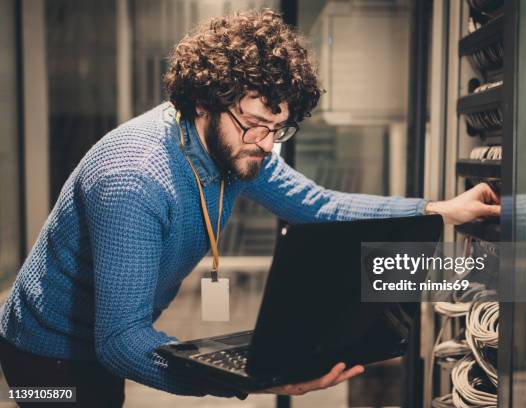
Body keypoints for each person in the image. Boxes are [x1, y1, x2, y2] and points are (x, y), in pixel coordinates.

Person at [0, 8, 500, 407]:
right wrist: (253, 382)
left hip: (103, 341)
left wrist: (440, 210)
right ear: (203, 101)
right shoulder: (134, 179)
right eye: (254, 124)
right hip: (45, 356)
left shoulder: (238, 148)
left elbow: (319, 204)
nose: (265, 143)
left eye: (278, 128)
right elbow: (119, 341)